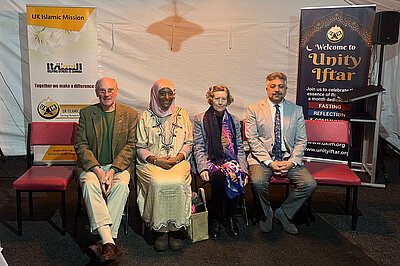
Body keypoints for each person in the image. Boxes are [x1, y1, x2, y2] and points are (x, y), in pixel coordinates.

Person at [75, 77, 138, 263]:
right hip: (92, 166)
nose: (106, 94)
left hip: (118, 167)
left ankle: (102, 242)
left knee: (121, 187)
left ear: (117, 91)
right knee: (89, 185)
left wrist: (111, 172)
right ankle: (109, 242)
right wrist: (98, 171)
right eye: (102, 90)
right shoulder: (87, 113)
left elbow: (131, 146)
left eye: (110, 90)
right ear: (96, 93)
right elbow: (81, 145)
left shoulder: (130, 114)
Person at [245, 72, 317, 235]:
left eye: (280, 86)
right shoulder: (254, 109)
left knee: (309, 184)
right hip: (262, 159)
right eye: (273, 86)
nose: (277, 90)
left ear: (286, 89)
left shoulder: (296, 110)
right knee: (257, 183)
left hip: (288, 158)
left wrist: (292, 162)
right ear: (267, 88)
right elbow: (252, 140)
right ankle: (266, 213)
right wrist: (269, 162)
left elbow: (301, 140)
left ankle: (284, 212)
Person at [136, 79, 193, 252]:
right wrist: (156, 160)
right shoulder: (145, 116)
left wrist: (178, 157)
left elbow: (189, 143)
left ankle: (176, 230)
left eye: (170, 93)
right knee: (157, 182)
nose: (167, 97)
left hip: (178, 161)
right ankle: (160, 230)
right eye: (162, 93)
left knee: (178, 182)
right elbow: (140, 147)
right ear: (155, 94)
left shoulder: (182, 114)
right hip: (151, 162)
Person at [193, 85, 248, 240]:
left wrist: (243, 170)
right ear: (211, 99)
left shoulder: (234, 120)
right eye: (217, 98)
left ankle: (230, 217)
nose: (220, 102)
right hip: (210, 161)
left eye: (223, 99)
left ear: (228, 100)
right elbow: (198, 146)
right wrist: (203, 168)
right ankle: (216, 219)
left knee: (234, 173)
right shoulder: (200, 119)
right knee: (218, 177)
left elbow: (239, 149)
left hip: (229, 160)